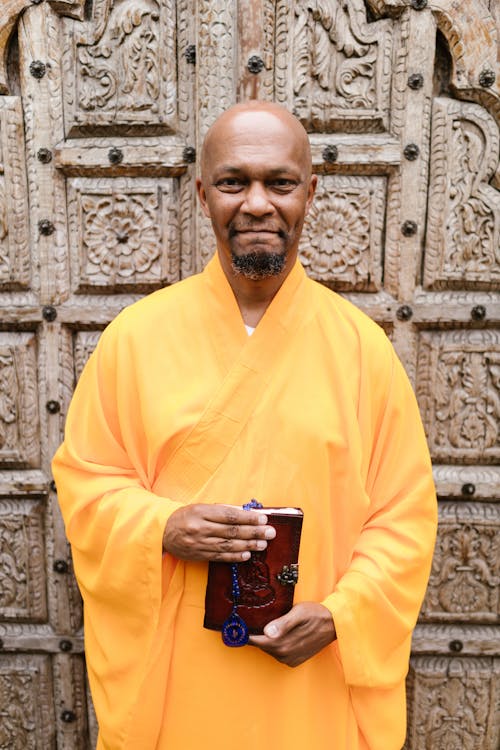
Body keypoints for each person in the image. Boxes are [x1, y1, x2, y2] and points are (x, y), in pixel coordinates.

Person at [52, 101, 437, 750]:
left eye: (279, 182)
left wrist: (342, 615)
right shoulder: (134, 342)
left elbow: (404, 516)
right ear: (204, 195)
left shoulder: (362, 351)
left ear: (309, 193)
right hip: (182, 687)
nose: (257, 203)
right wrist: (163, 527)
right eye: (234, 182)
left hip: (308, 683)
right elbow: (87, 486)